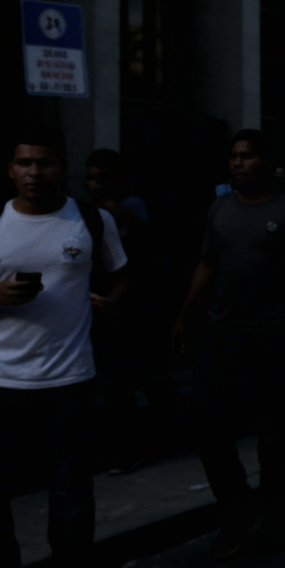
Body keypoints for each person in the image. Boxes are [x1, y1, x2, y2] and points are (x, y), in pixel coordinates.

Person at [0, 126, 129, 568]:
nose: (34, 172)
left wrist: (110, 301)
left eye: (44, 162)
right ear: (10, 169)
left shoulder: (91, 220)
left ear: (61, 167)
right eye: (24, 163)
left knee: (70, 493)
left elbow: (122, 274)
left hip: (69, 379)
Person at [171, 130, 285, 559]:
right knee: (205, 423)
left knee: (272, 433)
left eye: (247, 156)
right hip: (224, 333)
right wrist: (184, 313)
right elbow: (207, 263)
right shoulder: (220, 209)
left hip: (275, 334)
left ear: (267, 163)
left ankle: (276, 520)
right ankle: (237, 507)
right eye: (234, 156)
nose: (237, 163)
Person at [84, 149, 179, 475]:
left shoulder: (129, 204)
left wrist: (107, 204)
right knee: (124, 377)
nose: (95, 183)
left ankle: (150, 439)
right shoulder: (87, 213)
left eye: (102, 177)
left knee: (139, 374)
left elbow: (143, 235)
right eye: (91, 177)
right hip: (111, 302)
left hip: (138, 303)